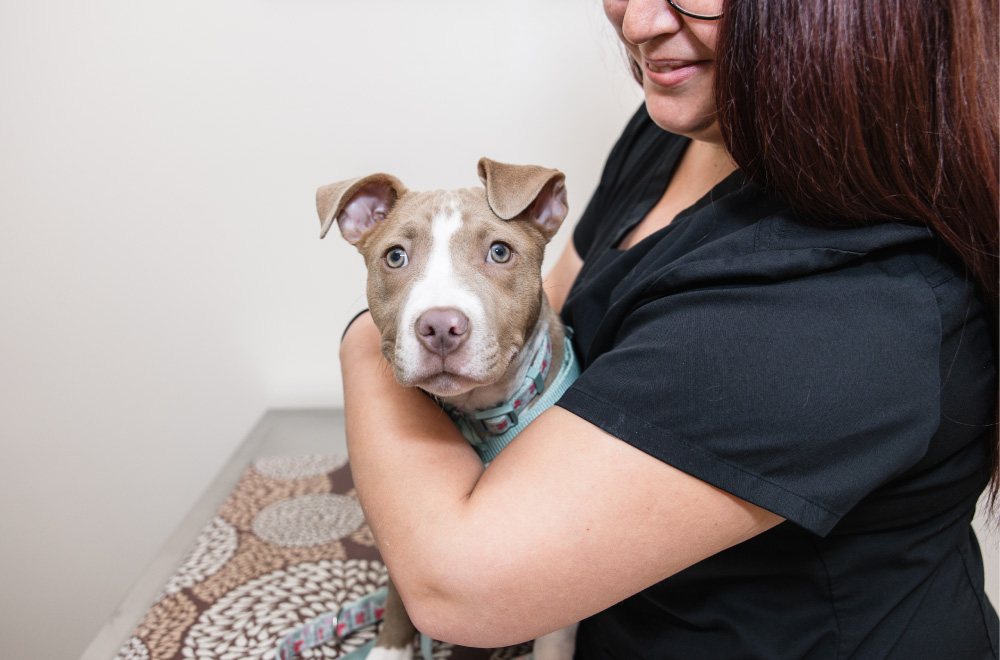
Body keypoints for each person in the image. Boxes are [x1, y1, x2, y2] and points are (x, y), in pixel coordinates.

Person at [338, 0, 999, 657]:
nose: (639, 22)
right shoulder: (689, 123)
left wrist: (371, 337)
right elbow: (546, 310)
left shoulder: (845, 299)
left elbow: (456, 587)